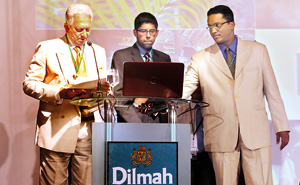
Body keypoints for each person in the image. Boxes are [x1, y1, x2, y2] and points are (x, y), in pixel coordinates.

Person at [182, 5, 290, 185]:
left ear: (232, 24)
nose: (213, 30)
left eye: (218, 25)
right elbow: (183, 91)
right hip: (220, 132)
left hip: (255, 131)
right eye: (209, 26)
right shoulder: (200, 58)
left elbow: (272, 91)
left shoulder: (258, 50)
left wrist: (281, 126)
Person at [23, 4, 109, 184]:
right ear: (66, 27)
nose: (84, 34)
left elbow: (100, 85)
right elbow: (29, 84)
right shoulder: (47, 48)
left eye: (87, 29)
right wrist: (59, 93)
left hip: (87, 129)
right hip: (57, 128)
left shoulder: (97, 51)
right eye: (79, 29)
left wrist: (104, 92)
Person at [111, 12, 171, 123]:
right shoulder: (121, 56)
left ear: (157, 33)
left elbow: (167, 94)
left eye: (152, 31)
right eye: (143, 31)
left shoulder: (164, 58)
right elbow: (118, 95)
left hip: (160, 122)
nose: (148, 35)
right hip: (131, 121)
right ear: (135, 32)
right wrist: (136, 123)